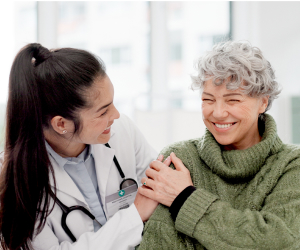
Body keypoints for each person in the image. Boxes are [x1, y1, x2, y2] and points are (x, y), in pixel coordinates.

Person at [137, 41, 300, 249]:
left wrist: (184, 199)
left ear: (263, 102)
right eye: (208, 99)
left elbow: (278, 242)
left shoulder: (292, 164)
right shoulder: (179, 158)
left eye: (232, 100)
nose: (219, 112)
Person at [0, 43, 162, 250]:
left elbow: (161, 187)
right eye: (103, 112)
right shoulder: (14, 177)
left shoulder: (122, 132)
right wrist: (135, 216)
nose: (116, 115)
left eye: (112, 103)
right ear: (61, 124)